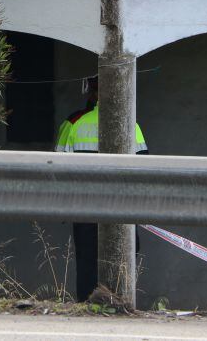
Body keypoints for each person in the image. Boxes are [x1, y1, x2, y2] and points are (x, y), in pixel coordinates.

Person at [55, 76, 147, 301]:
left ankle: (87, 305)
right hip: (122, 207)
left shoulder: (74, 122)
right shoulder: (130, 124)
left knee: (87, 261)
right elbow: (144, 168)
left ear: (91, 93)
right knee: (122, 259)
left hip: (84, 207)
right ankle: (120, 303)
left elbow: (58, 167)